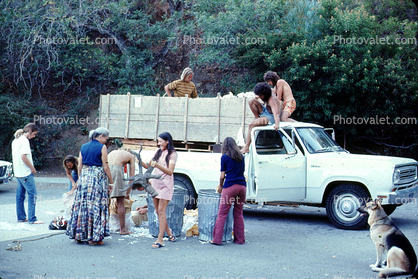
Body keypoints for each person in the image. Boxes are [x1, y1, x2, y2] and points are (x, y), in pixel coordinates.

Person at [66, 127, 114, 246]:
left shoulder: (83, 147)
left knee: (82, 205)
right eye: (106, 139)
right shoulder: (102, 147)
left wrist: (81, 179)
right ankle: (93, 237)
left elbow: (80, 165)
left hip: (84, 177)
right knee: (95, 206)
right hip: (96, 177)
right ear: (101, 136)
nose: (106, 142)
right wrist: (111, 182)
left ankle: (79, 235)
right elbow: (106, 166)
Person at [211, 137, 246, 245]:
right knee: (239, 213)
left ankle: (217, 240)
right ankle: (239, 240)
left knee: (222, 213)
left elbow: (222, 176)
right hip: (242, 187)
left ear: (224, 146)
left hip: (230, 186)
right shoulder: (241, 156)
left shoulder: (224, 157)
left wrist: (221, 186)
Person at [148, 132, 178, 248]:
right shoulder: (157, 151)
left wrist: (157, 166)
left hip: (166, 184)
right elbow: (150, 165)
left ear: (167, 141)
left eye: (161, 141)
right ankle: (169, 233)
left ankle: (160, 239)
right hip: (155, 183)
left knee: (161, 211)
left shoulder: (173, 154)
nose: (159, 143)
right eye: (158, 141)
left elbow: (170, 171)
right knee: (158, 211)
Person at [12, 123, 44, 224]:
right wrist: (32, 168)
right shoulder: (24, 141)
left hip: (18, 172)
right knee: (32, 195)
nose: (34, 136)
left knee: (20, 196)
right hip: (25, 173)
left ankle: (21, 217)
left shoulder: (16, 140)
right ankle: (32, 218)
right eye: (34, 134)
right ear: (29, 131)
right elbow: (23, 157)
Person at [240, 82, 282, 153]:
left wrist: (277, 124)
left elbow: (276, 113)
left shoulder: (272, 99)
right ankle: (258, 119)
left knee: (251, 125)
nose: (259, 97)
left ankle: (246, 147)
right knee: (251, 101)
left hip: (271, 116)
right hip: (266, 111)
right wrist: (257, 97)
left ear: (265, 94)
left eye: (260, 95)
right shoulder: (267, 93)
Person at [107, 148, 136, 235]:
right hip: (117, 170)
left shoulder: (112, 152)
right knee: (120, 202)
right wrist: (127, 192)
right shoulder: (131, 156)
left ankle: (104, 227)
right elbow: (132, 176)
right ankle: (122, 229)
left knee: (106, 201)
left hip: (106, 170)